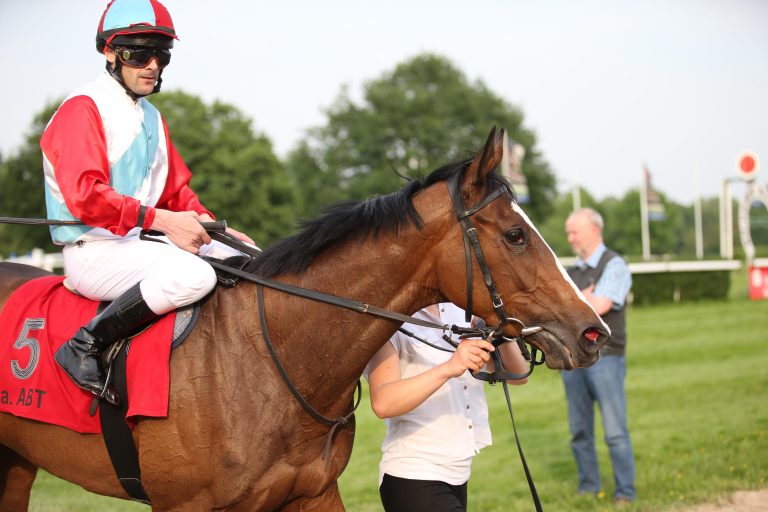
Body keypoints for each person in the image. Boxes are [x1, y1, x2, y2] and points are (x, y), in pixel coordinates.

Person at [41, 0, 254, 405]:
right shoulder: (81, 109)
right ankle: (84, 344)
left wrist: (211, 226)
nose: (152, 64)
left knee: (249, 258)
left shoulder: (152, 117)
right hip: (95, 250)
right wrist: (164, 222)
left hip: (142, 244)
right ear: (109, 52)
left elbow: (177, 192)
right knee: (196, 277)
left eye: (161, 55)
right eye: (138, 53)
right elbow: (85, 194)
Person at [365, 303, 529, 512]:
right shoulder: (390, 321)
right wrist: (449, 367)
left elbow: (517, 374)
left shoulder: (460, 310)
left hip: (459, 474)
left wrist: (499, 328)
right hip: (413, 475)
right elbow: (383, 403)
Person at [562, 208, 636, 504]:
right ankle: (588, 488)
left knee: (615, 431)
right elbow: (563, 310)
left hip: (607, 360)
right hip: (574, 360)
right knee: (579, 430)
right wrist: (585, 296)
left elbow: (600, 307)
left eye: (574, 232)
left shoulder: (614, 264)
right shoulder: (571, 271)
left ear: (594, 230)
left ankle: (625, 493)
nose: (570, 239)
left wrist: (576, 300)